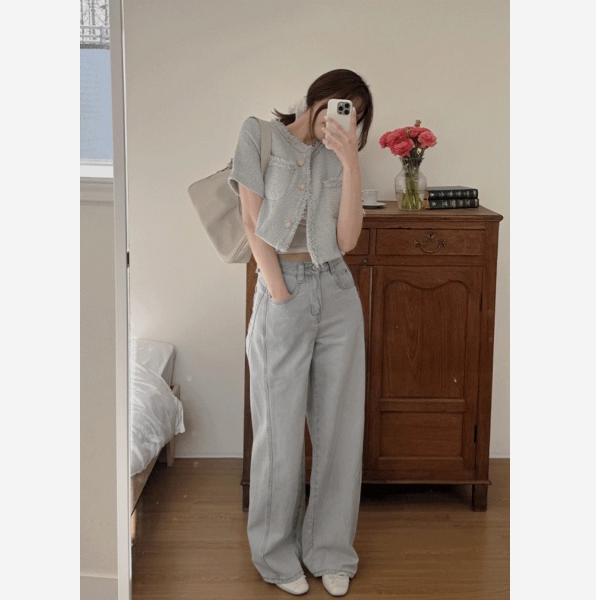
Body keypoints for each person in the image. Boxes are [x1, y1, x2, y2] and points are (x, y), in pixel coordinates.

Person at [228, 69, 374, 597]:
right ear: (317, 98)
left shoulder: (341, 157)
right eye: (339, 105)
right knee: (279, 432)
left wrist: (351, 162)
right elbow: (251, 220)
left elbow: (348, 239)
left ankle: (330, 550)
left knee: (339, 431)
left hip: (336, 291)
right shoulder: (260, 135)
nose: (342, 118)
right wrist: (279, 292)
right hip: (281, 290)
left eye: (354, 114)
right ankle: (274, 553)